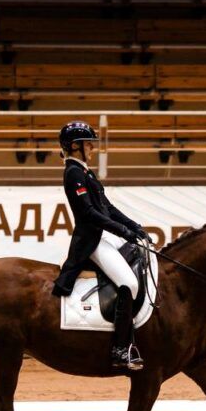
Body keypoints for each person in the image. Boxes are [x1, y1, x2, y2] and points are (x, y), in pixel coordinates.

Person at [52, 120, 150, 373]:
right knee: (128, 283)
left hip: (104, 236)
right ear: (75, 146)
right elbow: (89, 214)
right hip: (91, 240)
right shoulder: (73, 173)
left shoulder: (86, 173)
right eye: (88, 144)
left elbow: (107, 207)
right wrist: (124, 231)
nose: (92, 149)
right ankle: (120, 349)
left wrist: (134, 226)